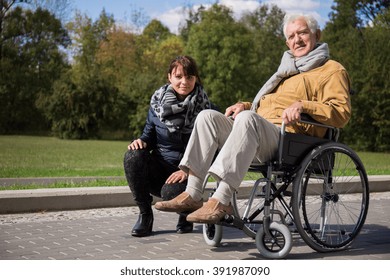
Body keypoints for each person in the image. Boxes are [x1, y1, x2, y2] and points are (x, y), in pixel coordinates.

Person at [155, 14, 352, 224]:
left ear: (317, 34)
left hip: (292, 140)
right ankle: (193, 194)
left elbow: (341, 112)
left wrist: (304, 105)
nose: (297, 40)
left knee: (247, 119)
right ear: (287, 42)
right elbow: (270, 104)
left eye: (302, 33)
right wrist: (246, 105)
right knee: (207, 117)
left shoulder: (332, 70)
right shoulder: (286, 70)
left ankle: (221, 200)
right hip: (259, 131)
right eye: (292, 36)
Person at [124, 55, 211, 237]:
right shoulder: (157, 105)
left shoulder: (207, 110)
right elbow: (148, 134)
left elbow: (212, 149)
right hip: (159, 167)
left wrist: (188, 169)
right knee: (133, 155)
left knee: (171, 192)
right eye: (178, 76)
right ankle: (145, 215)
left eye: (189, 77)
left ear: (196, 78)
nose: (184, 82)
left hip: (187, 174)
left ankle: (185, 213)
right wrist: (141, 141)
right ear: (169, 77)